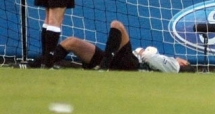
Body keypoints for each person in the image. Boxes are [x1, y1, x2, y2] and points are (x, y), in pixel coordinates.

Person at [51, 20, 189, 72]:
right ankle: (44, 63)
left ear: (184, 63)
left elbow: (149, 57)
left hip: (132, 65)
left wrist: (142, 52)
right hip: (119, 62)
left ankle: (103, 68)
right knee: (72, 42)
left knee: (117, 25)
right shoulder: (168, 66)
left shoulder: (174, 66)